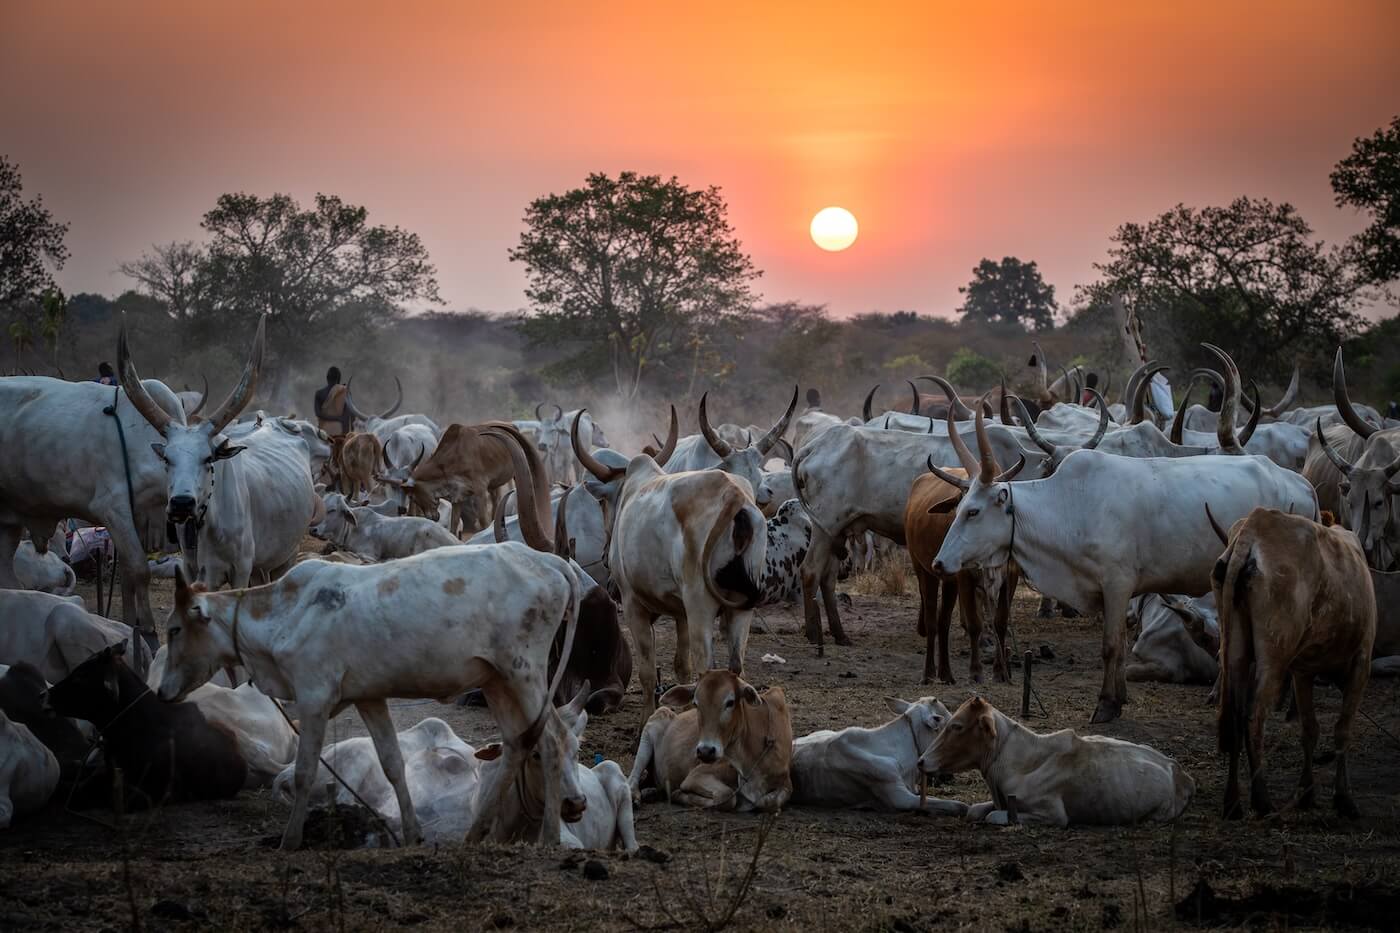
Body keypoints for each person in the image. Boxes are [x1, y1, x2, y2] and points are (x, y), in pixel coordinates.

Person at [314, 366, 353, 437]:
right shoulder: (345, 392)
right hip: (341, 434)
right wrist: (349, 435)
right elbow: (348, 416)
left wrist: (335, 418)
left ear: (327, 378)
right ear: (339, 379)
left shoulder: (319, 393)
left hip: (323, 433)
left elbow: (318, 414)